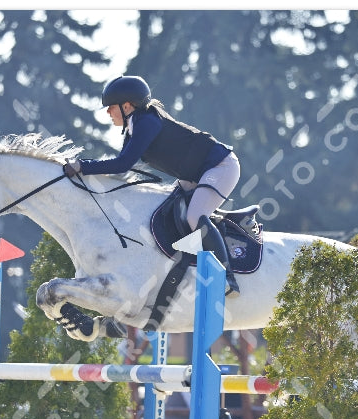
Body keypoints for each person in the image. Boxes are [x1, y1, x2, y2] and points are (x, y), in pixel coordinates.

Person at [63, 75, 241, 297]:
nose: (108, 112)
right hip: (194, 174)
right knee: (166, 213)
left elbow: (122, 165)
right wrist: (84, 168)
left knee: (195, 216)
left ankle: (226, 279)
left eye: (111, 107)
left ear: (127, 106)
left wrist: (82, 166)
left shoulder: (146, 122)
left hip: (220, 166)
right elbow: (121, 166)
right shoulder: (134, 126)